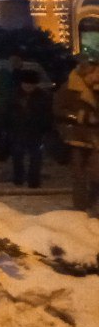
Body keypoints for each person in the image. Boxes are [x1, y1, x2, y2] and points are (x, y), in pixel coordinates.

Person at [56, 54, 99, 214]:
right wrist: (79, 117)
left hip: (94, 137)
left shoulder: (96, 89)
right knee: (79, 175)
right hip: (76, 137)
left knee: (96, 174)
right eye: (96, 72)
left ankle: (93, 203)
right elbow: (58, 110)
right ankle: (80, 208)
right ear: (87, 72)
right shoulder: (68, 88)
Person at [0, 68, 54, 188]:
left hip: (35, 131)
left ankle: (33, 180)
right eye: (26, 84)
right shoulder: (13, 95)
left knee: (36, 158)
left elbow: (47, 115)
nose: (28, 86)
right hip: (17, 130)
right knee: (17, 157)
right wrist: (6, 127)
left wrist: (46, 129)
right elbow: (5, 112)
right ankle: (18, 179)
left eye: (31, 84)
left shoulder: (43, 97)